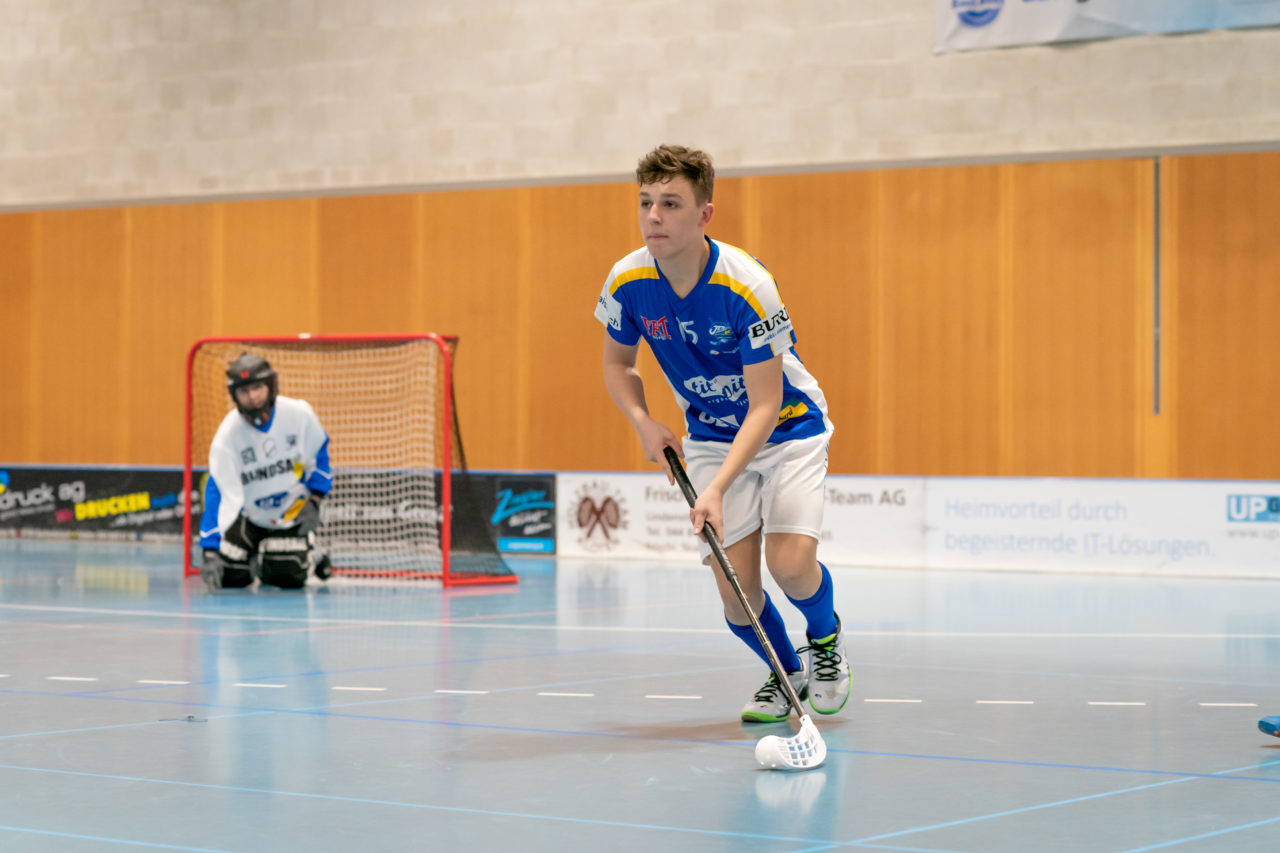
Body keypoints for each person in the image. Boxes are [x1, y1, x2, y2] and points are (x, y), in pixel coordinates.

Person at [595, 144, 850, 723]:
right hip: (709, 436)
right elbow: (618, 365)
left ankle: (825, 641)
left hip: (788, 430)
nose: (653, 216)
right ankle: (786, 678)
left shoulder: (748, 285)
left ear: (705, 213)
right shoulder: (628, 280)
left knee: (790, 566)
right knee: (735, 591)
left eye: (671, 203)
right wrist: (644, 422)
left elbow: (765, 403)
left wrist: (713, 490)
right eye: (646, 202)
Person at [198, 353, 332, 591]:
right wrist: (209, 549)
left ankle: (314, 553)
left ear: (271, 385)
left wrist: (315, 500)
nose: (252, 397)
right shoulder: (228, 435)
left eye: (257, 388)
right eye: (244, 391)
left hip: (290, 514)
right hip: (250, 517)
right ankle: (253, 556)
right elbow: (215, 489)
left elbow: (320, 454)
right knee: (230, 577)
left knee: (284, 575)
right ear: (234, 396)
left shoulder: (299, 415)